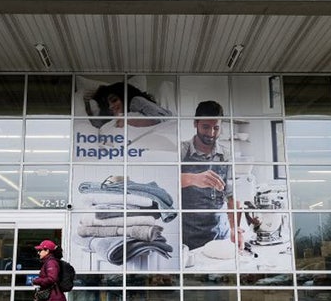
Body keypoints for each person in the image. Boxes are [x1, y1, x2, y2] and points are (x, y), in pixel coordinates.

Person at [180, 100, 243, 251]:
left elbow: (231, 197)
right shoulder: (181, 151)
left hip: (220, 235)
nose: (211, 133)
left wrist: (235, 228)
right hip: (187, 237)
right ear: (195, 123)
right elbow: (165, 183)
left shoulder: (226, 155)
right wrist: (193, 178)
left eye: (216, 128)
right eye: (205, 127)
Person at [90, 82, 173, 128]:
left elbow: (164, 119)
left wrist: (127, 122)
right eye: (107, 104)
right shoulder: (111, 119)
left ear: (124, 97)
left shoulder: (135, 101)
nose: (111, 106)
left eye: (114, 100)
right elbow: (97, 126)